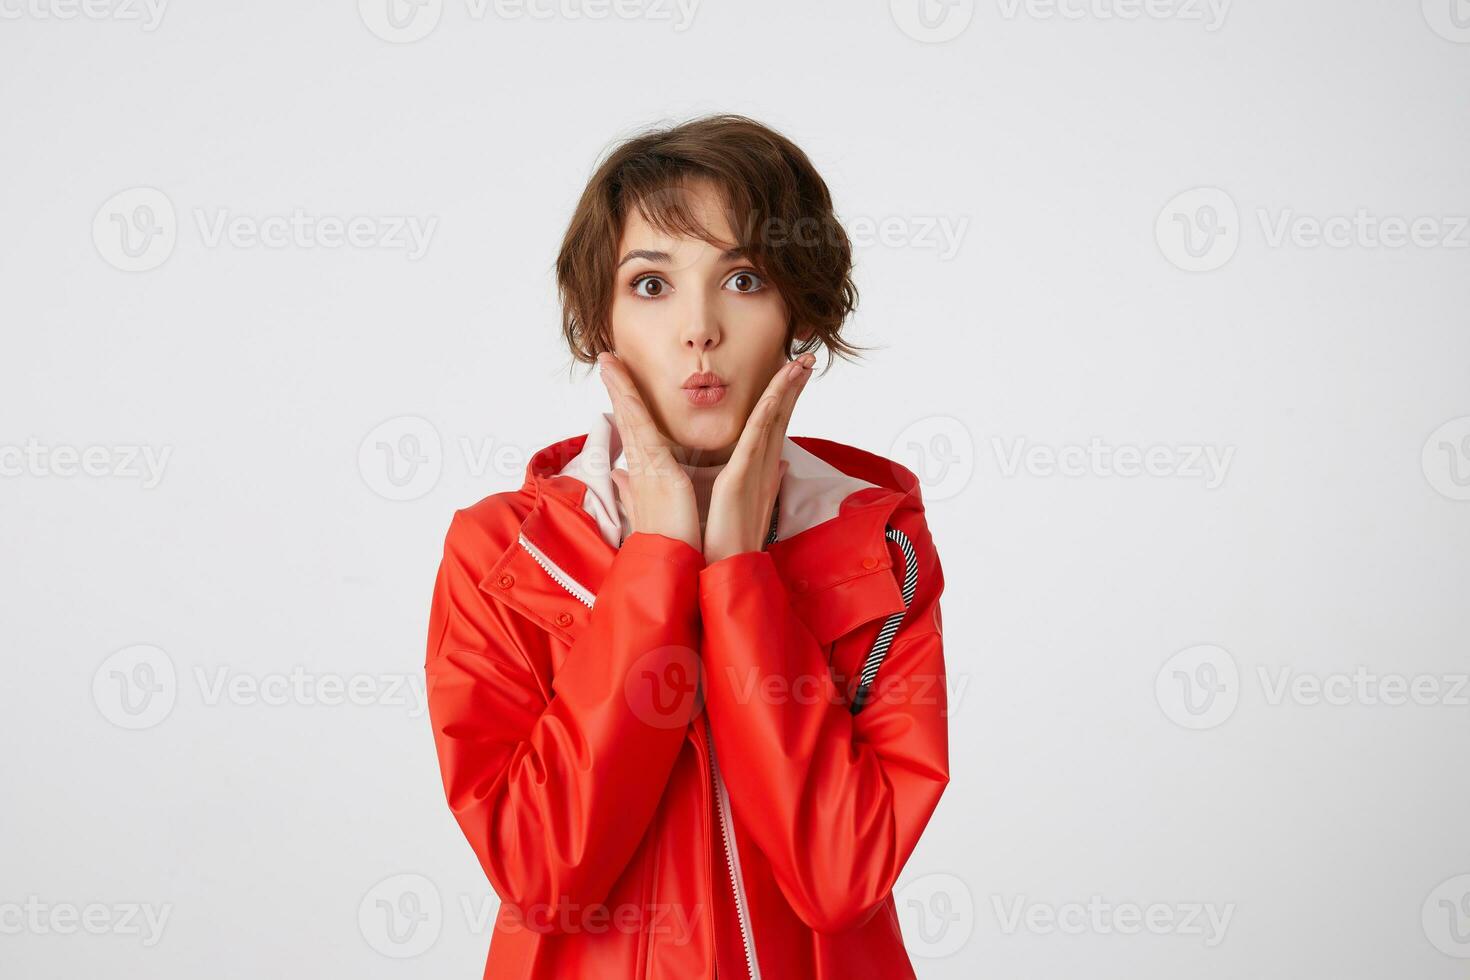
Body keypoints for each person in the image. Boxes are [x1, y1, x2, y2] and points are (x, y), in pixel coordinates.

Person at [424, 113, 950, 979]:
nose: (699, 328)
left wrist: (741, 573)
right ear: (601, 321)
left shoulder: (881, 550)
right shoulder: (500, 554)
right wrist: (660, 560)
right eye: (652, 285)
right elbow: (544, 877)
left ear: (798, 315)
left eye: (743, 279)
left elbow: (841, 878)